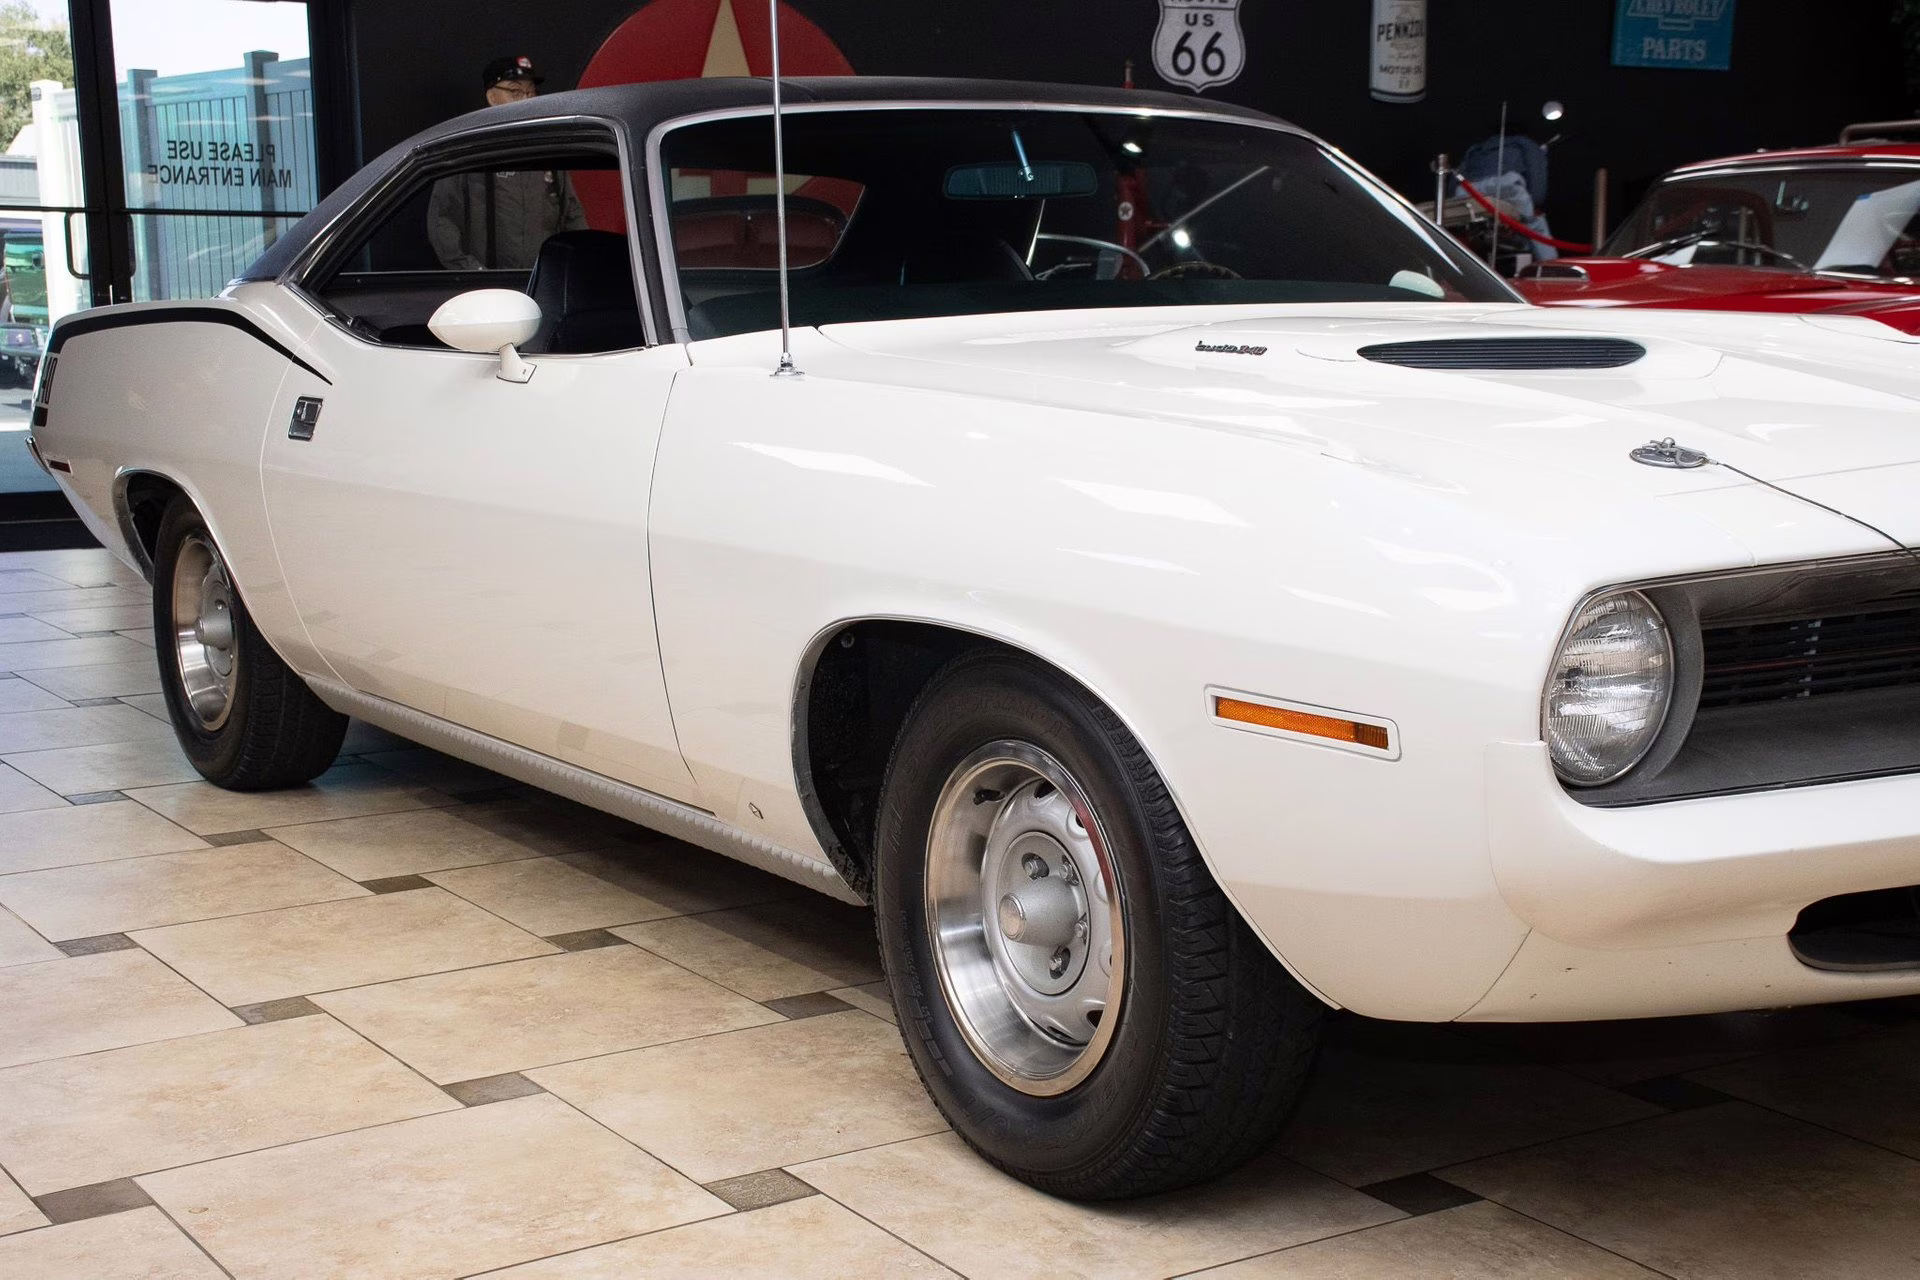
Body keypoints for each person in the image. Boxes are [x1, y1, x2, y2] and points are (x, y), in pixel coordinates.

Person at [427, 56, 587, 271]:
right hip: (486, 289)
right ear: (492, 97)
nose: (526, 100)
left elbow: (572, 216)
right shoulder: (468, 151)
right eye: (515, 92)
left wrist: (568, 271)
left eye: (530, 92)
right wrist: (472, 273)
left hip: (540, 284)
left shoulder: (546, 152)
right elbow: (442, 219)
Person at [1455, 117, 1557, 261]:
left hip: (1467, 190)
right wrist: (1535, 204)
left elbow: (1457, 176)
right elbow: (1536, 174)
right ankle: (1550, 265)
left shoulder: (1475, 149)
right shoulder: (1525, 144)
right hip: (1504, 184)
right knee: (1536, 225)